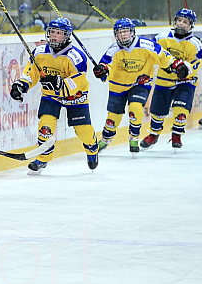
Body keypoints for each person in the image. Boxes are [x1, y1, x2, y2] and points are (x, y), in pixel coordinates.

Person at [10, 17, 99, 175]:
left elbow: (77, 82)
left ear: (67, 36)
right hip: (51, 96)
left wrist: (60, 83)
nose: (55, 36)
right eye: (52, 32)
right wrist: (21, 85)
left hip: (75, 97)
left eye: (59, 33)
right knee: (45, 127)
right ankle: (43, 159)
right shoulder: (39, 52)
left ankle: (92, 147)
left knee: (82, 130)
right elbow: (31, 73)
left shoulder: (76, 57)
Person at [92, 18, 179, 154]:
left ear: (132, 32)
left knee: (136, 107)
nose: (123, 36)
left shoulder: (146, 45)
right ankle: (106, 138)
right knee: (113, 116)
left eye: (125, 32)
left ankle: (134, 137)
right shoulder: (113, 50)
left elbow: (163, 56)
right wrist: (102, 71)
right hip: (118, 85)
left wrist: (174, 65)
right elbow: (107, 66)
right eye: (120, 33)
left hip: (141, 82)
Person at [137, 8, 202, 150]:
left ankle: (177, 135)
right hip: (164, 79)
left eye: (185, 22)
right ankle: (153, 135)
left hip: (185, 81)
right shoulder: (162, 37)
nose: (181, 24)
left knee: (181, 108)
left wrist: (185, 69)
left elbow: (195, 64)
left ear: (191, 25)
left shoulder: (196, 43)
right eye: (179, 20)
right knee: (157, 111)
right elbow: (152, 52)